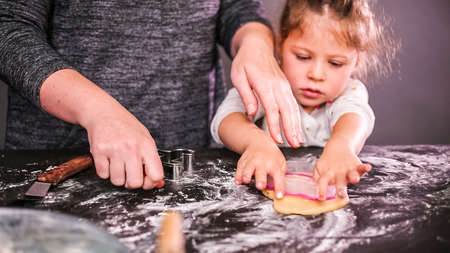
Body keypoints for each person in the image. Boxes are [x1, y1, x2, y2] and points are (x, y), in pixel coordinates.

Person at [0, 1, 304, 189]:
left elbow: (239, 8)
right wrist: (96, 110)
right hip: (58, 167)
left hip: (193, 162)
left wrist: (255, 43)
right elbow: (9, 27)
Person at [211, 0, 397, 200]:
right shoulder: (268, 84)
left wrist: (343, 145)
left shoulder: (349, 91)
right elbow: (225, 118)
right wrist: (255, 142)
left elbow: (355, 115)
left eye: (335, 63)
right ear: (280, 44)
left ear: (356, 62)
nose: (316, 74)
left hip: (324, 195)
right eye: (302, 57)